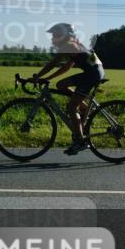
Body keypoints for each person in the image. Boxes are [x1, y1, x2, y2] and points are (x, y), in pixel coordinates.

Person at [31, 23, 105, 155]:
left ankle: (80, 142)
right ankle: (83, 106)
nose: (53, 38)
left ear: (64, 35)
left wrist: (39, 76)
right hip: (95, 71)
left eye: (55, 35)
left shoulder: (69, 46)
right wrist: (48, 78)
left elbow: (53, 63)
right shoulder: (75, 45)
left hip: (92, 74)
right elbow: (66, 67)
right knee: (61, 85)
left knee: (71, 107)